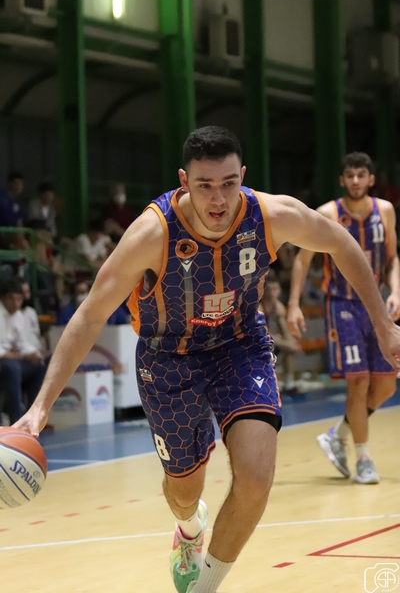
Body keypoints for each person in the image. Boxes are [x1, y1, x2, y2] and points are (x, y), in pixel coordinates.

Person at [13, 128, 400, 593]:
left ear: (243, 177)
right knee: (184, 492)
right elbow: (90, 314)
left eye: (228, 184)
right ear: (184, 181)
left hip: (240, 344)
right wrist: (40, 407)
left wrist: (383, 325)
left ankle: (205, 587)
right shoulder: (151, 233)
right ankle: (189, 527)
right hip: (167, 357)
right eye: (205, 186)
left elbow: (342, 244)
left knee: (255, 478)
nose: (218, 199)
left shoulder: (271, 216)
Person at [287, 151, 400, 485]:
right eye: (349, 175)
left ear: (370, 179)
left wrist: (396, 290)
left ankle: (338, 435)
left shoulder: (385, 210)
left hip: (376, 305)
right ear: (341, 180)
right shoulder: (328, 214)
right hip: (342, 305)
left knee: (385, 385)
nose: (355, 181)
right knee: (359, 381)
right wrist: (293, 304)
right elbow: (302, 260)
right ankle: (363, 458)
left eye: (361, 175)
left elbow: (393, 258)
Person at [0, 278, 46, 424]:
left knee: (39, 366)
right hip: (5, 361)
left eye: (19, 300)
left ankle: (32, 416)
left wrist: (33, 353)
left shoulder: (18, 316)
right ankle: (16, 419)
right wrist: (20, 356)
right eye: (12, 299)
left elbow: (22, 343)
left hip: (10, 359)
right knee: (12, 368)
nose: (16, 304)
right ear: (4, 298)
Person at [258, 271, 302, 394]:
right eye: (270, 290)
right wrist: (287, 344)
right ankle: (266, 384)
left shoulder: (279, 307)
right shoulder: (259, 308)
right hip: (257, 341)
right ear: (264, 291)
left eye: (276, 289)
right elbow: (262, 334)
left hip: (271, 341)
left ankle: (288, 383)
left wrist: (292, 343)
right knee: (281, 344)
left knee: (290, 347)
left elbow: (285, 331)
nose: (273, 293)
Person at [57, 280, 129, 326]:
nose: (83, 295)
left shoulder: (111, 308)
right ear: (74, 295)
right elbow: (59, 331)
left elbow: (126, 323)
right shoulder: (66, 312)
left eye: (85, 292)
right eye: (80, 292)